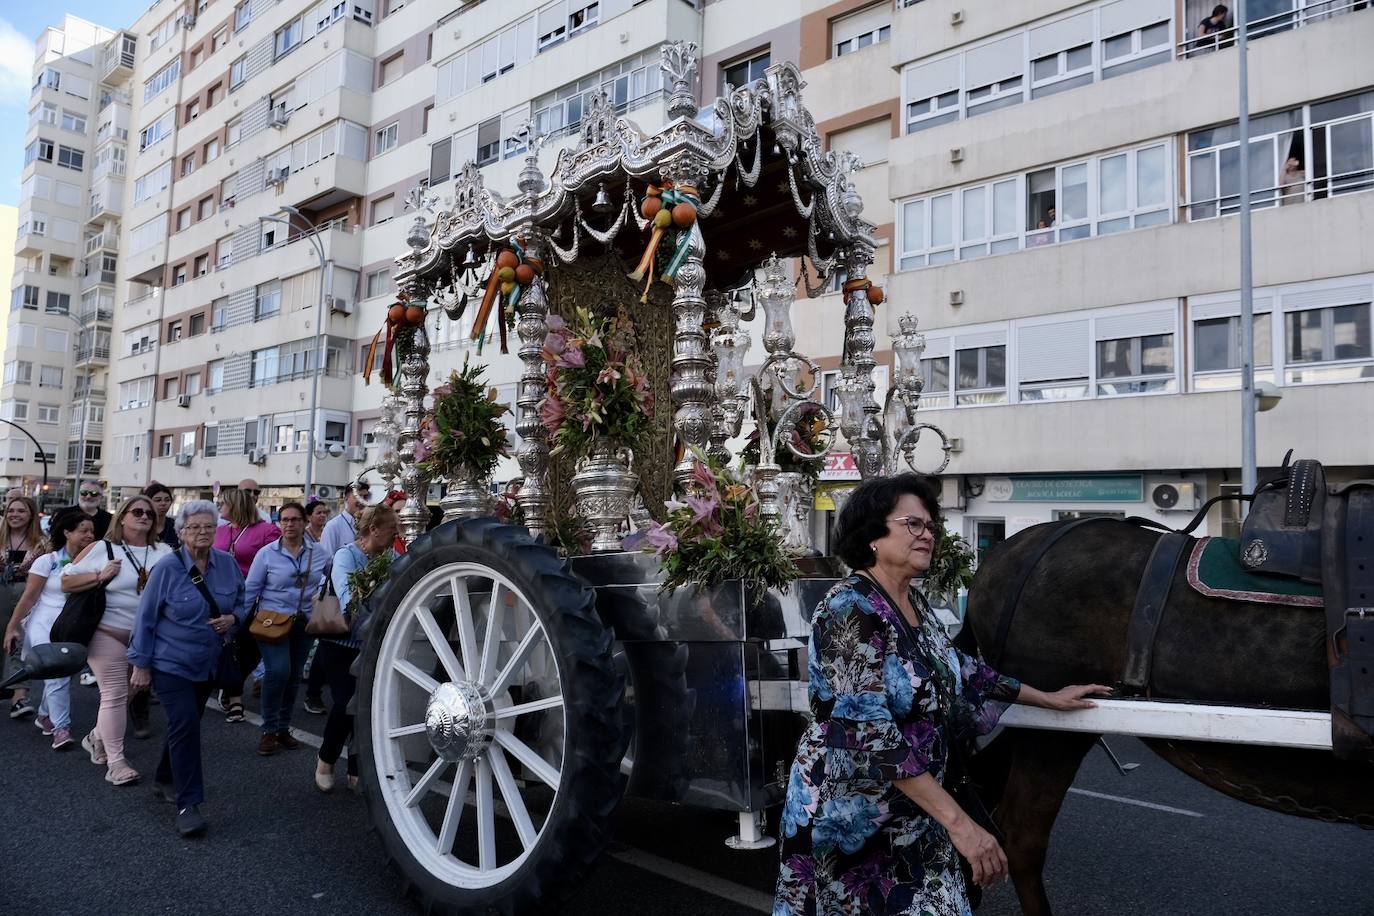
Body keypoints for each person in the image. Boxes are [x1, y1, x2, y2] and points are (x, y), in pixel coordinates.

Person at [773, 474, 1109, 916]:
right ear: (872, 532)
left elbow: (961, 671)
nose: (928, 534)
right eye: (914, 523)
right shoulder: (848, 608)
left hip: (914, 814)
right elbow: (869, 733)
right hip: (848, 821)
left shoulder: (915, 605)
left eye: (931, 526)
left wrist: (1048, 698)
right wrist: (962, 825)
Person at [129, 500, 246, 837]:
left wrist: (233, 619)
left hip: (207, 663)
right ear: (180, 533)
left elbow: (241, 600)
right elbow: (145, 619)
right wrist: (141, 665)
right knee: (186, 725)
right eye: (194, 527)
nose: (203, 532)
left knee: (186, 724)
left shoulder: (226, 564)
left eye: (209, 526)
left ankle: (164, 778)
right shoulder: (167, 569)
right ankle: (188, 804)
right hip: (171, 662)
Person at [62, 495, 174, 785]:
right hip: (107, 631)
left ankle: (95, 737)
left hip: (146, 638)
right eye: (137, 511)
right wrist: (100, 575)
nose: (145, 516)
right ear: (122, 517)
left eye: (149, 513)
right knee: (115, 694)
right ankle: (116, 762)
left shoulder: (163, 552)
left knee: (133, 689)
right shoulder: (103, 548)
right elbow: (66, 580)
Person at [317, 504, 398, 792]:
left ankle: (355, 766)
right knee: (344, 703)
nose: (395, 534)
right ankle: (326, 758)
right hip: (339, 642)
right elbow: (349, 597)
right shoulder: (346, 555)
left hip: (371, 643)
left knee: (365, 707)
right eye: (391, 529)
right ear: (373, 529)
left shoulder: (391, 556)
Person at [1, 508, 97, 750]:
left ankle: (45, 714)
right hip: (44, 624)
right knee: (59, 674)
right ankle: (61, 728)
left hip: (74, 627)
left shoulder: (94, 562)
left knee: (61, 674)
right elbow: (28, 598)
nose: (89, 535)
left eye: (92, 531)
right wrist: (12, 627)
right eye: (83, 530)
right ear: (67, 532)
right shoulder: (48, 561)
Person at [243, 502, 327, 756]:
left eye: (294, 520)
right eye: (284, 520)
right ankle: (268, 729)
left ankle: (282, 727)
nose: (289, 524)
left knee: (292, 678)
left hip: (303, 622)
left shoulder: (319, 552)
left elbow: (332, 580)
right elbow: (251, 589)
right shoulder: (267, 553)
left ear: (304, 522)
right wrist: (237, 620)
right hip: (272, 622)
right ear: (279, 523)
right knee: (278, 671)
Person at [214, 488, 279, 723]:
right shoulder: (219, 531)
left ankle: (232, 684)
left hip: (255, 599)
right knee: (229, 647)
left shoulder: (266, 531)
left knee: (250, 651)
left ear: (236, 506)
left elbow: (276, 561)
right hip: (223, 596)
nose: (219, 505)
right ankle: (234, 697)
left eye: (223, 502)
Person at [1, 496, 45, 718]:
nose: (14, 515)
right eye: (11, 510)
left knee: (18, 641)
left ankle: (20, 696)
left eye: (21, 511)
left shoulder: (42, 543)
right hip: (1, 592)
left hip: (27, 595)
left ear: (31, 515)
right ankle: (5, 685)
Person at [301, 499, 332, 716]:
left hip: (318, 594)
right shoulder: (310, 537)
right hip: (311, 597)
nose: (322, 516)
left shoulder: (324, 533)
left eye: (325, 512)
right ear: (309, 516)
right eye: (319, 512)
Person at [321, 481, 372, 560]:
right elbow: (326, 560)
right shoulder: (333, 526)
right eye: (357, 496)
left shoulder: (371, 523)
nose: (362, 501)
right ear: (346, 499)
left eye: (365, 497)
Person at [143, 482, 180, 549]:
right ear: (147, 502)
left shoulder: (176, 526)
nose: (163, 503)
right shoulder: (141, 525)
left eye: (167, 500)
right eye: (158, 500)